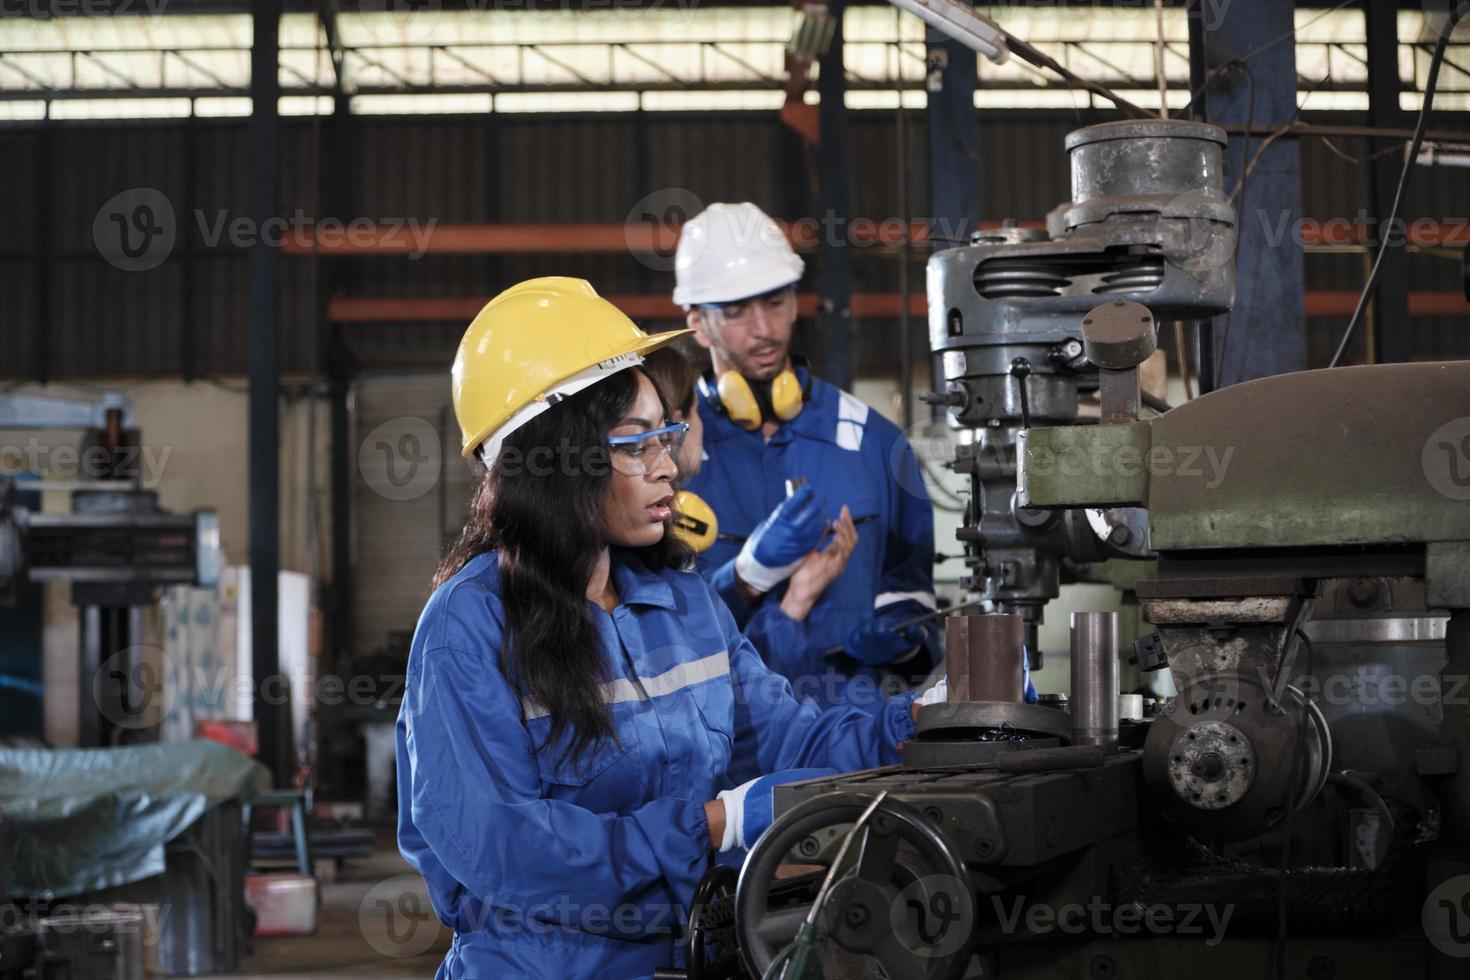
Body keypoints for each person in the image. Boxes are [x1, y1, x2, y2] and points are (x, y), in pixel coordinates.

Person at [395, 277, 927, 979]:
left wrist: (921, 722)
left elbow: (790, 734)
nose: (667, 466)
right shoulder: (469, 628)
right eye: (634, 444)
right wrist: (713, 825)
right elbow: (504, 849)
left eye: (666, 436)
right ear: (552, 459)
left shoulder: (682, 602)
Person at [673, 201, 940, 710]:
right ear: (699, 324)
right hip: (723, 740)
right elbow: (650, 625)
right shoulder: (671, 454)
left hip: (852, 736)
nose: (764, 329)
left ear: (796, 303)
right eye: (735, 312)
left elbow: (911, 583)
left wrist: (906, 638)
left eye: (774, 303)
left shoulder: (874, 442)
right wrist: (743, 577)